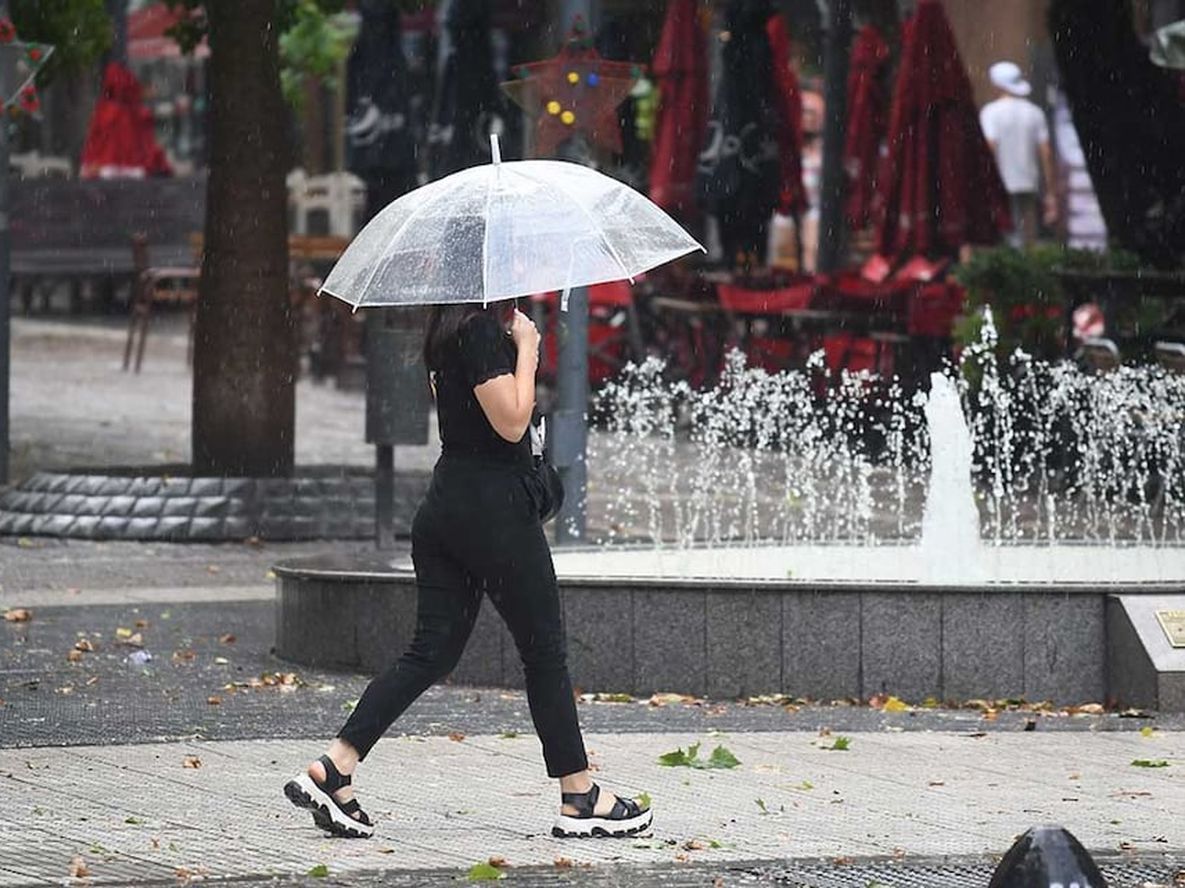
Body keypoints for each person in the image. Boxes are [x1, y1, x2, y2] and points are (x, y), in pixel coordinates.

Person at [283, 303, 651, 840]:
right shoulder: (478, 330)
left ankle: (335, 766)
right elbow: (510, 422)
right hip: (493, 516)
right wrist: (528, 350)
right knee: (544, 652)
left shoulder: (447, 327)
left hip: (447, 507)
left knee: (430, 652)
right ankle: (579, 795)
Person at [979, 61, 1058, 248]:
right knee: (1028, 235)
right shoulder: (1034, 112)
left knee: (1003, 236)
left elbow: (990, 147)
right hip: (1028, 181)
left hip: (1000, 182)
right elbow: (1046, 152)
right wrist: (1050, 191)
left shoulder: (990, 113)